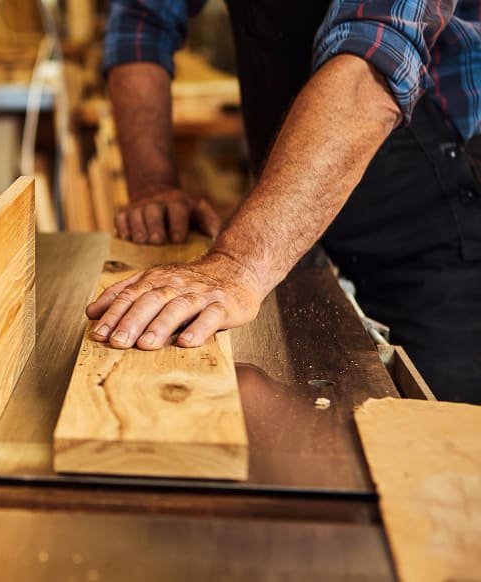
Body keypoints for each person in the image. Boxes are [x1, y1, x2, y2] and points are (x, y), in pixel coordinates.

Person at [92, 0, 481, 404]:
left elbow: (375, 60)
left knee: (429, 435)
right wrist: (154, 185)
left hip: (435, 217)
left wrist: (238, 264)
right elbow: (142, 22)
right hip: (295, 221)